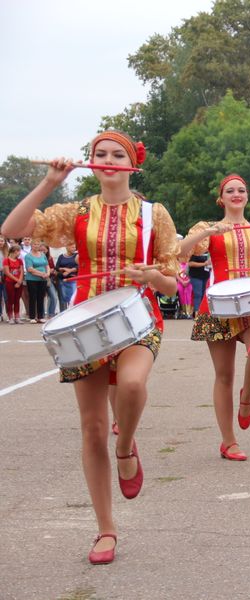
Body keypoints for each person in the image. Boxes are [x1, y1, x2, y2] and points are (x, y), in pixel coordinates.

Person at [0, 130, 179, 564]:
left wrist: (150, 277)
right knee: (93, 428)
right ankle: (106, 529)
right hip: (86, 325)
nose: (108, 159)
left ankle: (126, 447)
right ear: (91, 162)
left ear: (132, 163)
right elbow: (11, 229)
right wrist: (49, 183)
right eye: (100, 154)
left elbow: (172, 284)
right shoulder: (76, 211)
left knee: (133, 385)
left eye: (118, 154)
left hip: (139, 314)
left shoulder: (156, 215)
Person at [180, 174, 250, 461]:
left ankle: (246, 399)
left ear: (247, 195)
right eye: (230, 190)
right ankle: (228, 441)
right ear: (221, 198)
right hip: (218, 305)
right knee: (224, 375)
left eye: (241, 190)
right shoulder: (207, 228)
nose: (236, 194)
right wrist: (207, 234)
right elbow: (180, 253)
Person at [24, 240, 50, 323]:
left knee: (41, 297)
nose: (36, 245)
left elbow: (47, 265)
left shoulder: (43, 255)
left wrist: (48, 273)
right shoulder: (28, 256)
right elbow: (30, 269)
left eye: (38, 244)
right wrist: (42, 274)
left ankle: (40, 316)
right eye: (34, 244)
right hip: (32, 279)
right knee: (32, 297)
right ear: (31, 245)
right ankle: (32, 317)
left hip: (43, 279)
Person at [2, 244, 24, 323]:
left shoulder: (19, 260)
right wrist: (17, 280)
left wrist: (20, 280)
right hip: (10, 282)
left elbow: (21, 271)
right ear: (14, 251)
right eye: (18, 251)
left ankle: (17, 316)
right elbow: (7, 272)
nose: (19, 253)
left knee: (17, 300)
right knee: (10, 300)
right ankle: (10, 317)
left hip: (19, 282)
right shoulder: (6, 260)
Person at [56, 243, 79, 310]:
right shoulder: (61, 256)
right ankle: (62, 313)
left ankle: (72, 312)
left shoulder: (76, 256)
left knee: (72, 298)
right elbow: (57, 267)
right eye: (72, 247)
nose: (74, 249)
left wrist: (70, 270)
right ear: (67, 247)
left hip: (73, 279)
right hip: (62, 279)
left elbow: (79, 266)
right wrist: (64, 269)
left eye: (75, 247)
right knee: (62, 298)